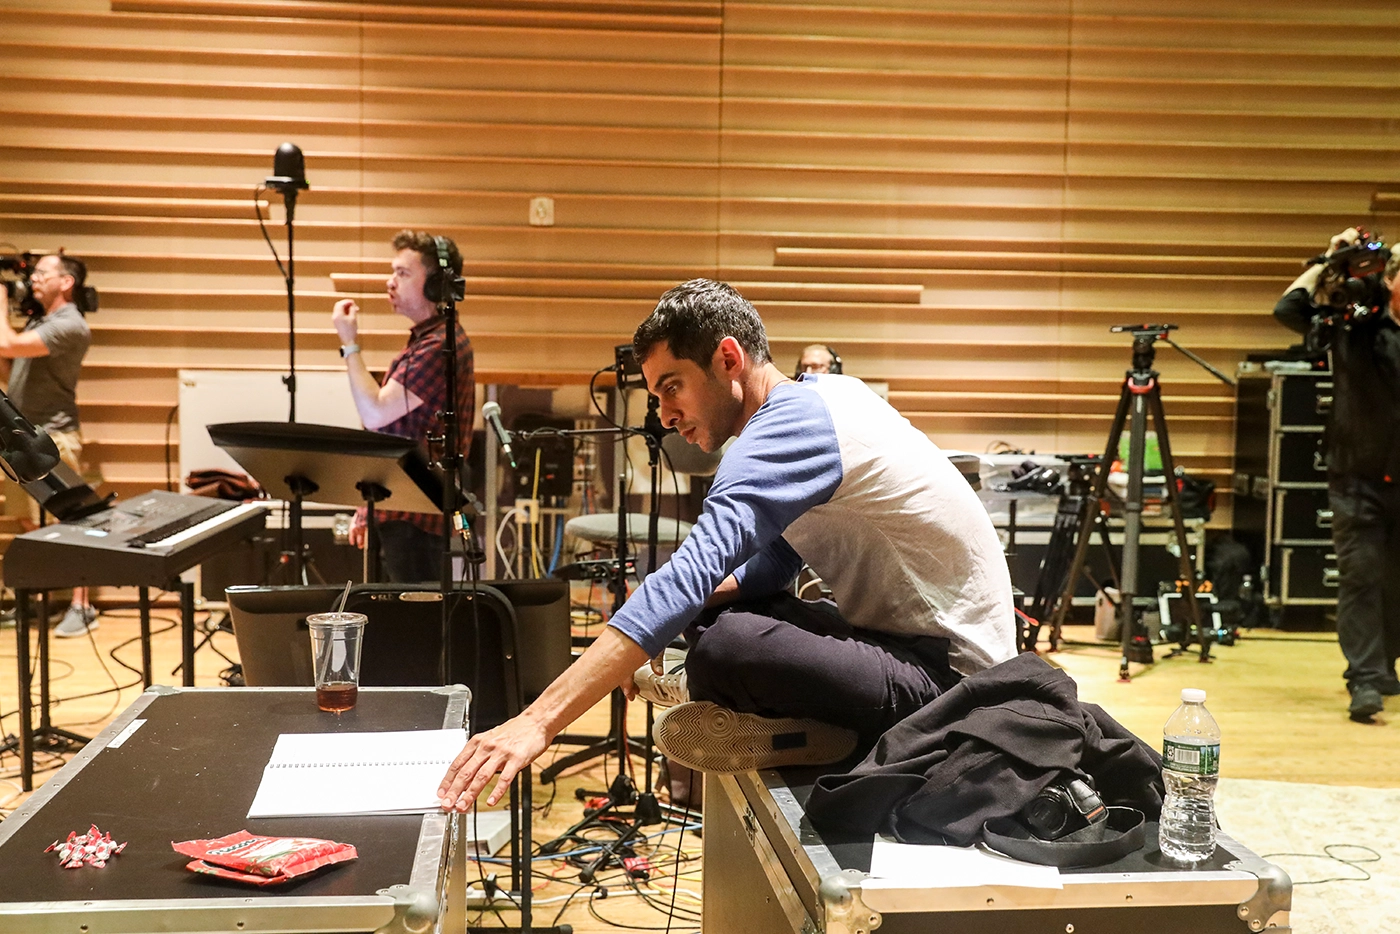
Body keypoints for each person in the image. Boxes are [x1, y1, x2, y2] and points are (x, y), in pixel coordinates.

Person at [438, 278, 1015, 812]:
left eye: (672, 387)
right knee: (710, 612)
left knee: (725, 642)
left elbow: (690, 570)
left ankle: (743, 700)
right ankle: (792, 720)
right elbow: (780, 558)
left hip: (955, 684)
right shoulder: (829, 396)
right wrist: (676, 610)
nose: (664, 416)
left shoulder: (785, 428)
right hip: (900, 649)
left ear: (728, 359)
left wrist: (539, 721)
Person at [1275, 228, 1400, 722]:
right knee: (1361, 575)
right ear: (1390, 282)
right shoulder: (1353, 325)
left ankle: (1384, 666)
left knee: (1395, 581)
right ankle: (1365, 679)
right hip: (1357, 476)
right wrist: (1326, 260)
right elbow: (1289, 310)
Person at [331, 230, 473, 583]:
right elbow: (392, 432)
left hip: (414, 519)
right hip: (399, 510)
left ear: (436, 284)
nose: (389, 281)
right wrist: (367, 508)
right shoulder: (426, 341)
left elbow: (374, 413)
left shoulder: (439, 347)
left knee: (413, 627)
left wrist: (350, 344)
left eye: (402, 273)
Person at [0, 252, 94, 636]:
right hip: (24, 436)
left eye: (42, 273)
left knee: (70, 522)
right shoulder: (40, 321)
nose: (34, 279)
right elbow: (9, 363)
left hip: (54, 437)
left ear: (66, 282)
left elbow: (7, 346)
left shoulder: (70, 324)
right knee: (30, 521)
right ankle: (45, 601)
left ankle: (82, 606)